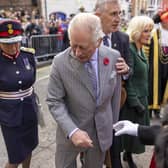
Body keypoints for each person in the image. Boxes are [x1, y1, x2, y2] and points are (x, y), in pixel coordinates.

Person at [46, 12, 121, 168]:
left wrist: (111, 126)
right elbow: (54, 100)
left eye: (83, 47)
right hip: (70, 133)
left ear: (99, 41)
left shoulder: (113, 57)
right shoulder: (60, 62)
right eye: (73, 45)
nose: (77, 52)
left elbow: (115, 96)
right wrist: (72, 131)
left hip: (101, 133)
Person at [94, 0, 131, 167]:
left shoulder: (123, 38)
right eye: (113, 14)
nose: (118, 18)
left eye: (119, 13)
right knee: (92, 151)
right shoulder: (87, 35)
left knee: (114, 148)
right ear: (98, 16)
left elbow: (131, 70)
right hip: (92, 106)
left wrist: (126, 70)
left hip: (115, 103)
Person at [0, 19, 38, 168]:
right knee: (15, 157)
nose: (13, 47)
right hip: (9, 115)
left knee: (29, 147)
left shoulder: (27, 56)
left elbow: (32, 81)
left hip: (29, 111)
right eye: (7, 44)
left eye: (16, 42)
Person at [119, 15, 154, 168]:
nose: (150, 35)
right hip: (134, 101)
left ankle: (128, 154)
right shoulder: (131, 50)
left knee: (137, 133)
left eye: (150, 31)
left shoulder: (141, 50)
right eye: (146, 31)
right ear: (137, 32)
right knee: (130, 134)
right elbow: (128, 80)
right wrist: (136, 103)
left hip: (143, 98)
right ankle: (126, 155)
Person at [143, 9, 168, 118]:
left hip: (166, 65)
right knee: (152, 86)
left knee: (163, 86)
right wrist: (146, 64)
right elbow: (146, 49)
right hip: (155, 65)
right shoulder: (154, 33)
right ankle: (150, 109)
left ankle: (158, 110)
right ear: (163, 21)